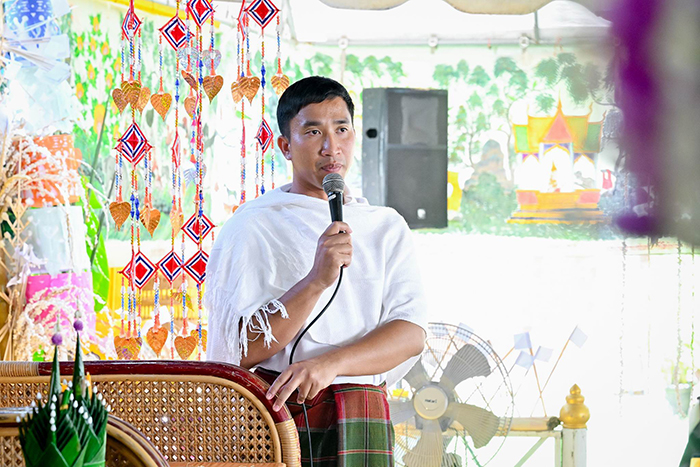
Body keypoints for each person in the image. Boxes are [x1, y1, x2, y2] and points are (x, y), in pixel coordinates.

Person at [205, 76, 427, 467]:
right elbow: (240, 351)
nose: (331, 147)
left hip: (363, 406)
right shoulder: (254, 224)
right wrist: (315, 280)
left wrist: (329, 365)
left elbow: (411, 333)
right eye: (313, 132)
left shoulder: (386, 225)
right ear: (285, 146)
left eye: (342, 129)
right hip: (280, 408)